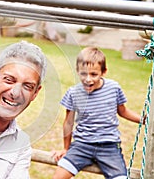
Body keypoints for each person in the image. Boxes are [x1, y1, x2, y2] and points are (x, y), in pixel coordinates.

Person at [52, 47, 143, 179]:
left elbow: (123, 111)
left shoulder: (114, 88)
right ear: (77, 71)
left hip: (109, 146)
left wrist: (144, 120)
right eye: (83, 74)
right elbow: (68, 122)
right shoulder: (73, 93)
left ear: (103, 72)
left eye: (93, 74)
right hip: (81, 146)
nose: (88, 79)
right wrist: (66, 149)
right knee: (58, 177)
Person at [0, 40, 47, 179]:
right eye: (9, 80)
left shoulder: (21, 146)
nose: (15, 93)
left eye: (27, 86)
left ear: (35, 93)